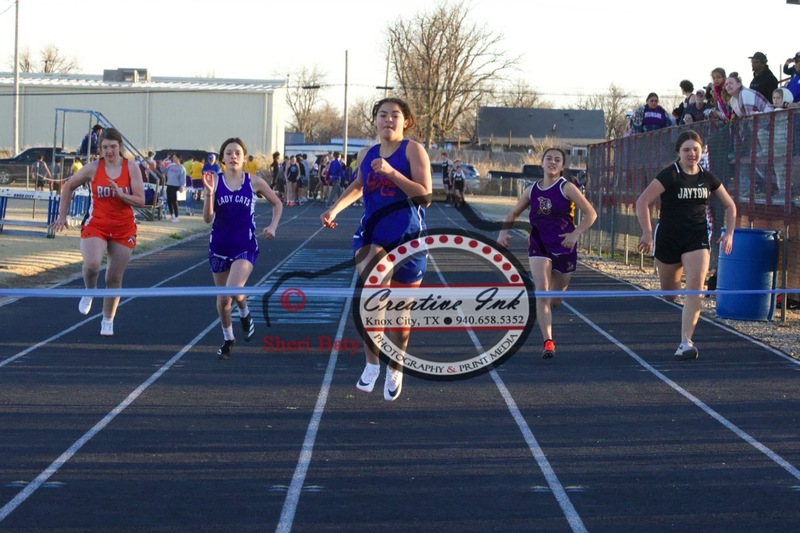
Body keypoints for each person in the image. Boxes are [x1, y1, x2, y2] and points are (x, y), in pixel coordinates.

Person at [320, 97, 432, 401]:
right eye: (383, 115)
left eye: (395, 115)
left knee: (399, 315)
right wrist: (335, 209)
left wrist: (393, 174)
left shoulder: (413, 150)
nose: (388, 120)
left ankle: (395, 368)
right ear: (375, 120)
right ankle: (371, 364)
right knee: (374, 295)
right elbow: (358, 185)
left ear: (405, 121)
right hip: (372, 238)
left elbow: (425, 197)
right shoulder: (365, 153)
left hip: (409, 240)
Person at [635, 130, 737, 361]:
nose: (692, 154)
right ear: (678, 152)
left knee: (696, 288)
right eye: (687, 150)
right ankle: (675, 295)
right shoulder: (670, 175)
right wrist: (647, 233)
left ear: (702, 151)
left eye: (696, 150)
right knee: (670, 294)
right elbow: (642, 201)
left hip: (697, 236)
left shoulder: (707, 178)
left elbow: (730, 206)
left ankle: (686, 341)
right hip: (669, 238)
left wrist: (729, 233)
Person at [497, 147, 597, 359]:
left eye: (557, 160)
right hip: (539, 244)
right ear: (542, 164)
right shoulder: (531, 190)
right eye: (549, 159)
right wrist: (503, 232)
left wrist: (575, 234)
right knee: (541, 291)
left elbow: (591, 214)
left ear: (562, 166)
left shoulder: (567, 188)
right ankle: (548, 341)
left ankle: (555, 295)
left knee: (555, 299)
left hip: (564, 246)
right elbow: (514, 211)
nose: (552, 162)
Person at [50, 128, 145, 337]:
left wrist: (122, 195)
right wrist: (62, 215)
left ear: (120, 147)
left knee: (113, 277)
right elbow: (68, 186)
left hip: (123, 228)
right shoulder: (93, 168)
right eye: (105, 147)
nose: (109, 151)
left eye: (113, 146)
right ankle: (89, 290)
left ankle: (107, 319)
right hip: (97, 224)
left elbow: (141, 200)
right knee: (92, 264)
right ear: (99, 149)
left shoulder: (132, 169)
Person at [203, 137, 283, 360]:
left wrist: (273, 226)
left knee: (233, 289)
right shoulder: (215, 181)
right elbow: (207, 218)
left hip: (245, 246)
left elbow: (277, 203)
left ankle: (245, 312)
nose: (233, 157)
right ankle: (228, 339)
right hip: (219, 246)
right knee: (223, 300)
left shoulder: (254, 182)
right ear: (222, 159)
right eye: (228, 153)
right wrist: (209, 192)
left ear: (244, 158)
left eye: (237, 153)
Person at [164, 154, 186, 221]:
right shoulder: (170, 166)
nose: (173, 158)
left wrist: (182, 186)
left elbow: (183, 178)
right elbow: (164, 172)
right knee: (169, 201)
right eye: (173, 157)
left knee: (174, 201)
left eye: (174, 157)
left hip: (175, 186)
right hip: (169, 185)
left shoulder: (181, 168)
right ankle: (172, 215)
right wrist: (162, 165)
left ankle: (177, 216)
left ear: (178, 158)